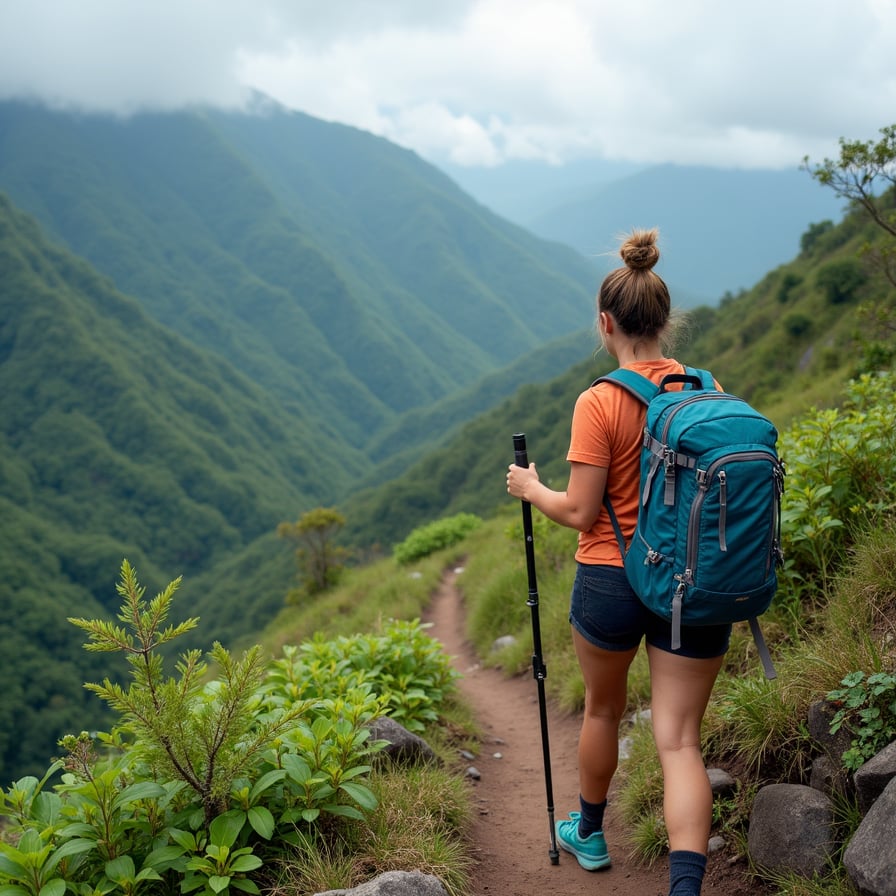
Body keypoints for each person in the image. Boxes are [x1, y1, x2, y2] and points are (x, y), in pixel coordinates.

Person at [505, 228, 730, 896]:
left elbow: (579, 510)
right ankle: (685, 887)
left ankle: (590, 832)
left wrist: (529, 487)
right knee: (680, 741)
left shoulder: (599, 401)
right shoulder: (705, 386)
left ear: (606, 323)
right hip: (692, 584)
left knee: (604, 710)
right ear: (665, 320)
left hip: (611, 576)